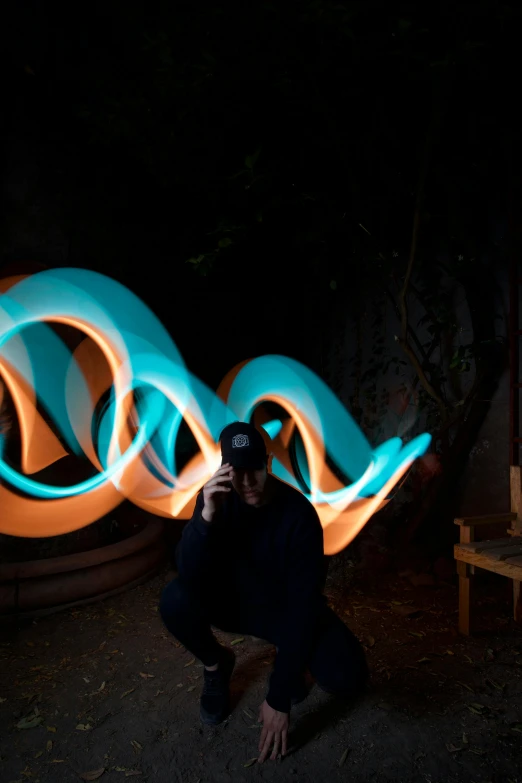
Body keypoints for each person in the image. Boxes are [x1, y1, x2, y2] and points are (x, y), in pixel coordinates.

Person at [159, 421, 368, 763]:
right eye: (237, 472)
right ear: (224, 470)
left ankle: (294, 662)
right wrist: (206, 518)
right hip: (234, 603)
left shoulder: (299, 514)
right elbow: (189, 572)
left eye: (254, 469)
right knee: (175, 600)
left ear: (267, 465)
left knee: (349, 677)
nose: (247, 482)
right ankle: (216, 666)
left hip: (284, 610)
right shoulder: (214, 501)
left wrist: (279, 693)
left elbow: (304, 605)